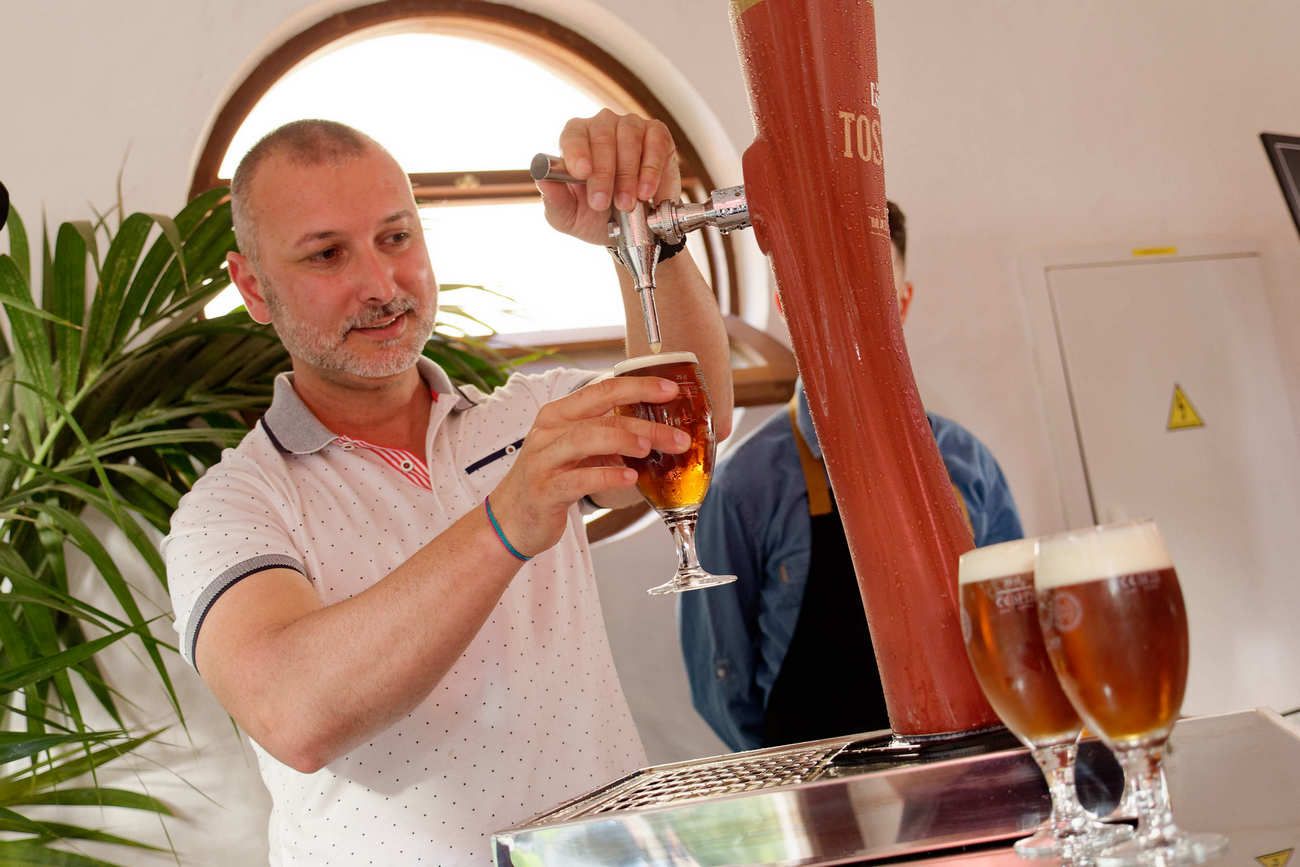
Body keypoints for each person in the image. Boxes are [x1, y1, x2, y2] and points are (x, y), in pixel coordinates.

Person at [162, 111, 732, 866]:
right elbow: (295, 712)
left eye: (396, 238)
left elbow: (697, 418)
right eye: (327, 254)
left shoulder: (531, 418)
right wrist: (506, 520)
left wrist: (646, 233)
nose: (381, 283)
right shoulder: (232, 507)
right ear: (253, 288)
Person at [679, 201, 1021, 752]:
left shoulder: (969, 463)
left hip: (977, 766)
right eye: (830, 288)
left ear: (903, 303)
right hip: (822, 794)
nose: (854, 309)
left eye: (875, 287)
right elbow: (723, 686)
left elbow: (1016, 635)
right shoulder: (742, 488)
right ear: (787, 304)